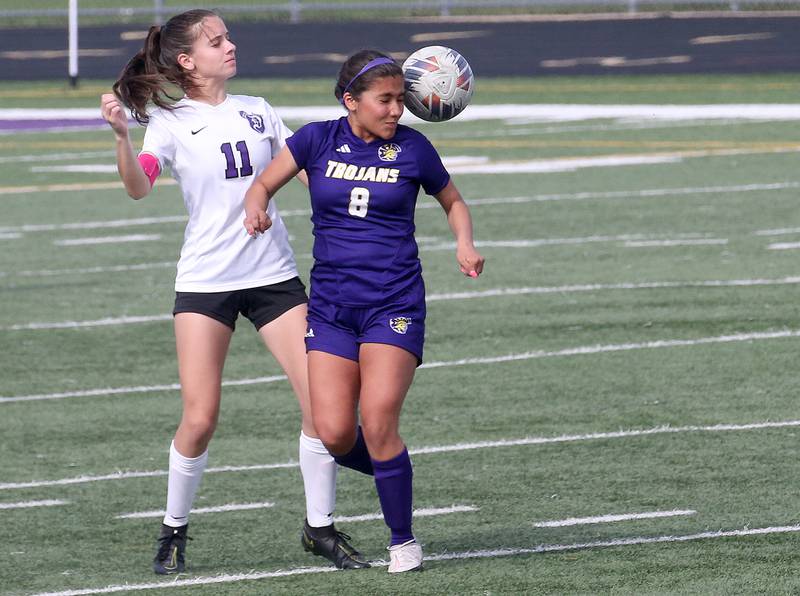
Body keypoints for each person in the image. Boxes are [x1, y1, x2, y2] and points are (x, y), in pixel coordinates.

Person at [99, 9, 368, 575]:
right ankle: (173, 530)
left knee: (323, 405)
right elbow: (138, 187)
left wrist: (368, 177)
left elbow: (309, 171)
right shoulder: (169, 122)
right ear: (186, 61)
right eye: (216, 41)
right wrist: (122, 136)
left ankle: (319, 528)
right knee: (200, 417)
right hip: (205, 283)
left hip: (274, 278)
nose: (230, 45)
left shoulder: (259, 111)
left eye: (226, 37)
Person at [243, 49, 485, 573]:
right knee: (333, 432)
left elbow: (453, 201)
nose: (398, 109)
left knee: (377, 421)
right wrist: (256, 205)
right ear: (351, 102)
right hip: (330, 308)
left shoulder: (415, 149)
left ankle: (403, 541)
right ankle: (393, 469)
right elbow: (263, 181)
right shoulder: (314, 139)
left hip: (393, 304)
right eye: (386, 100)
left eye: (401, 98)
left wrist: (463, 243)